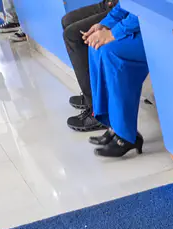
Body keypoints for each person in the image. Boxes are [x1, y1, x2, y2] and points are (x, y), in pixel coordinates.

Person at [83, 5, 148, 158]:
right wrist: (105, 25)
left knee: (110, 52)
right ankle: (114, 124)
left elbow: (147, 5)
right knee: (95, 47)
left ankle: (125, 135)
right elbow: (127, 3)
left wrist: (113, 33)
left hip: (158, 27)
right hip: (140, 24)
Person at [63, 1, 119, 132]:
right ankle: (94, 93)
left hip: (125, 8)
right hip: (112, 3)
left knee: (72, 34)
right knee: (67, 20)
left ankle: (98, 109)